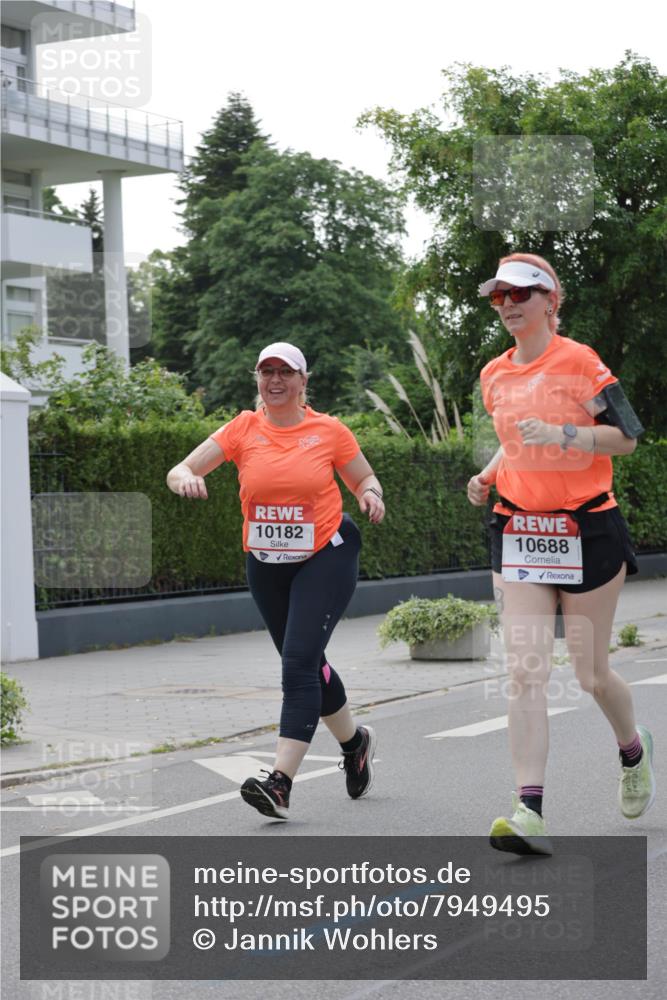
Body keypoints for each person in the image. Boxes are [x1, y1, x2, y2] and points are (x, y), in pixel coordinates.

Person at [467, 252, 655, 855]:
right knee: (525, 671)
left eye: (521, 294)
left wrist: (567, 434)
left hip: (587, 529)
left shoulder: (580, 363)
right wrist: (489, 473)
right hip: (520, 530)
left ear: (551, 300)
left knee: (591, 672)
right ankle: (529, 810)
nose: (509, 305)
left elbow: (628, 436)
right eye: (500, 297)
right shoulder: (494, 374)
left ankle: (632, 747)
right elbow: (516, 441)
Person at [167, 342, 384, 821]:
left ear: (304, 382)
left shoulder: (328, 431)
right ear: (258, 380)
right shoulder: (243, 428)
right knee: (307, 663)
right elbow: (181, 467)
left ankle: (280, 783)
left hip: (326, 553)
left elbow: (365, 478)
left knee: (298, 662)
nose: (276, 380)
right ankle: (355, 743)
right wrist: (183, 478)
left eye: (286, 372)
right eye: (267, 372)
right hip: (266, 562)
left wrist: (371, 496)